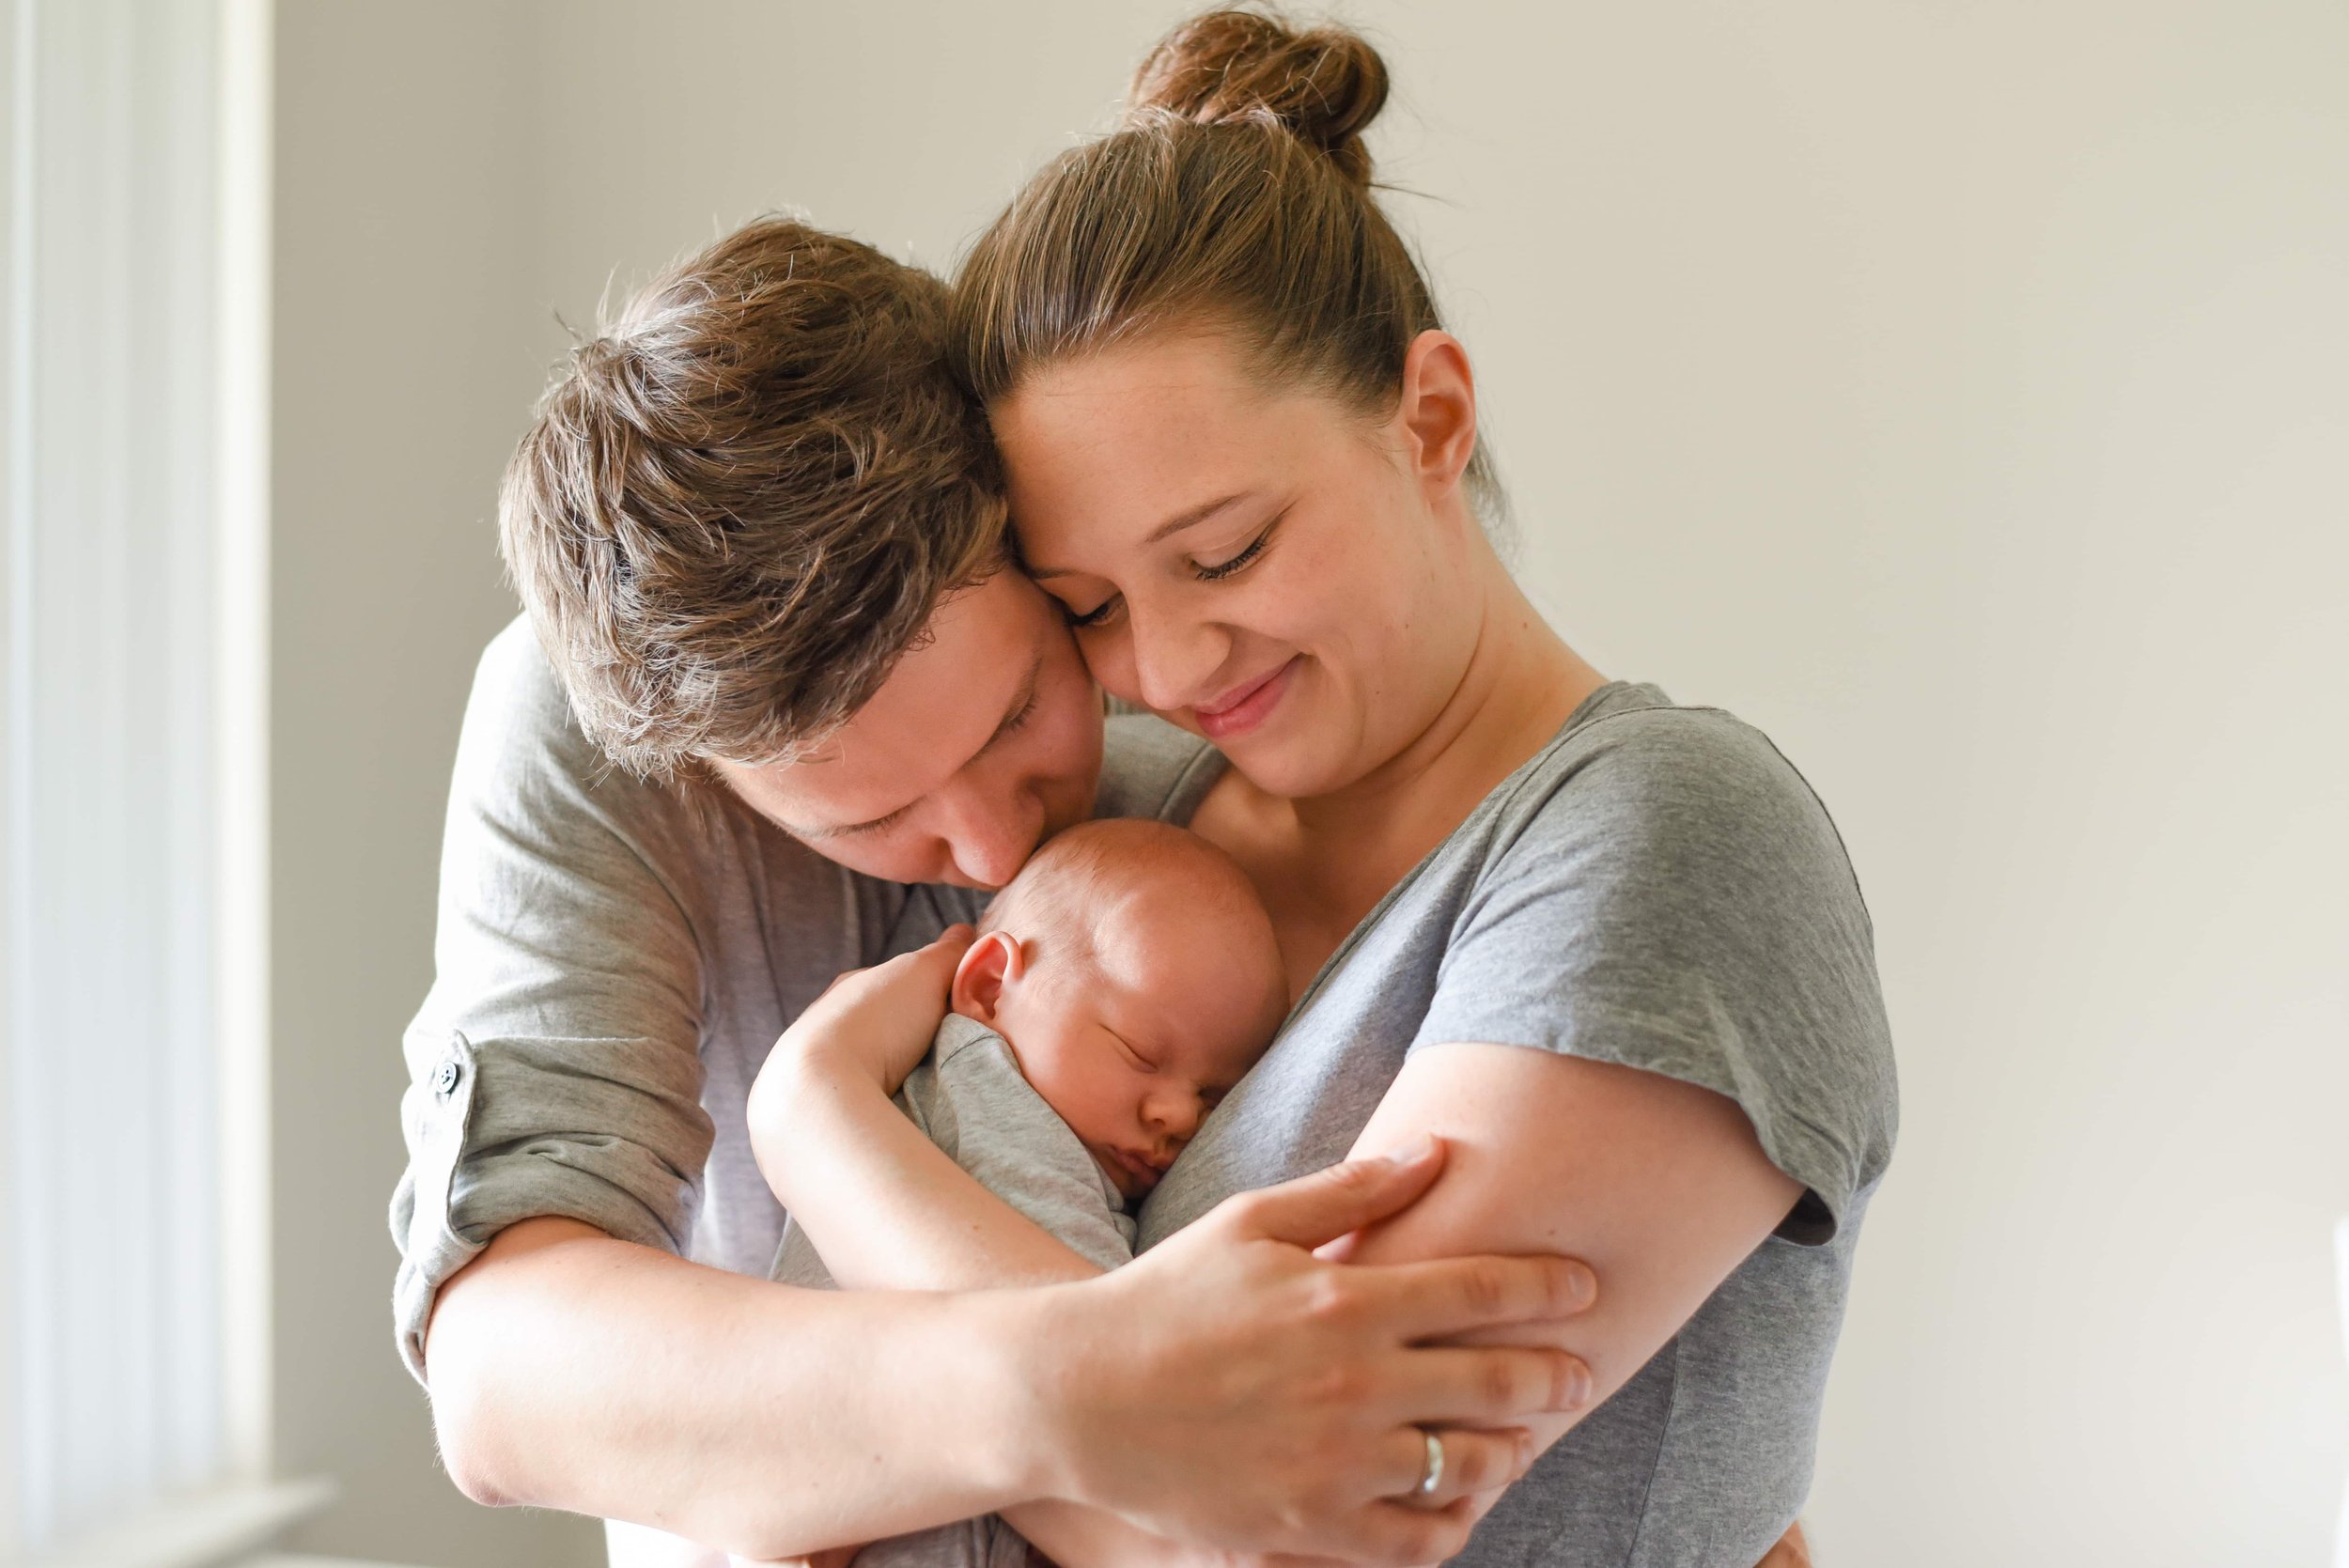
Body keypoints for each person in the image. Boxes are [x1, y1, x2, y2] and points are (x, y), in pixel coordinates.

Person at [751, 9, 1897, 1567]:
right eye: (1088, 605)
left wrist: (820, 1127)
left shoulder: (1663, 835)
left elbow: (1260, 1545)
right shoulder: (1118, 838)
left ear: (1429, 414)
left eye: (1224, 550)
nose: (1164, 656)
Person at [397, 214, 1600, 1568]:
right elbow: (502, 1375)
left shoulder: (1221, 743)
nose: (985, 848)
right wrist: (1072, 1384)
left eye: (1019, 708)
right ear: (707, 777)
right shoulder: (591, 732)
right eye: (873, 811)